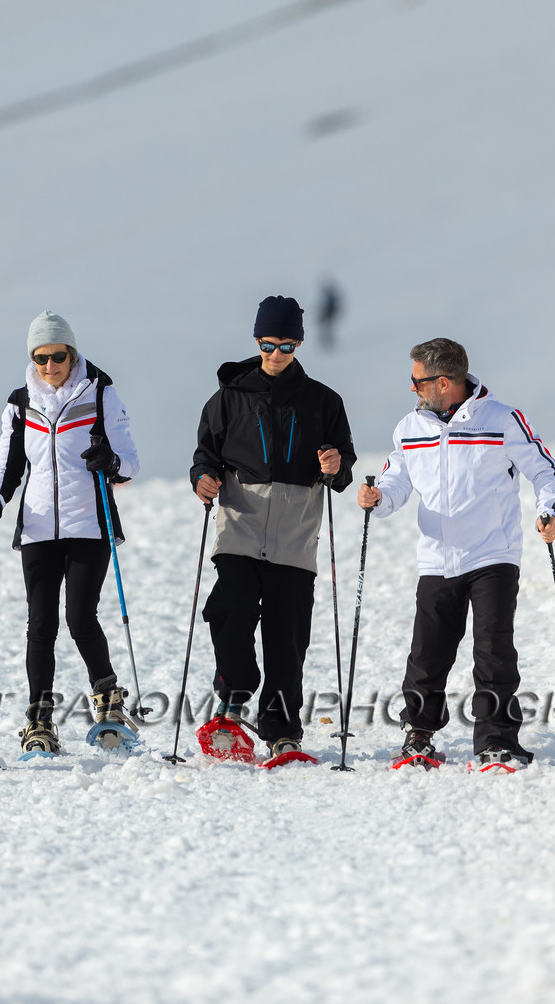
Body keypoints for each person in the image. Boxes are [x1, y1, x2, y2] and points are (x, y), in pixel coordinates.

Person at [358, 338, 555, 768]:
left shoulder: (501, 419)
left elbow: (544, 469)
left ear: (444, 382)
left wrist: (549, 510)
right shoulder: (409, 428)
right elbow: (397, 482)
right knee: (427, 654)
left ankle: (497, 741)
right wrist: (378, 498)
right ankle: (419, 735)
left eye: (417, 381)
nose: (412, 389)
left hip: (493, 553)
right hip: (438, 558)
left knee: (493, 651)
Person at [190, 296, 356, 761]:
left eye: (285, 345)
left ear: (298, 344)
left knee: (287, 638)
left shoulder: (324, 401)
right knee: (229, 611)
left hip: (295, 535)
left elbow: (343, 466)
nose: (276, 354)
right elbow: (205, 455)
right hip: (239, 528)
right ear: (256, 341)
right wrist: (203, 477)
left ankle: (282, 730)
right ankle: (232, 696)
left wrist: (335, 465)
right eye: (267, 345)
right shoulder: (228, 398)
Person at [0, 311, 140, 757]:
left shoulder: (100, 391)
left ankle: (109, 703)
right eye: (40, 357)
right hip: (39, 527)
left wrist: (111, 462)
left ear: (72, 352)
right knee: (40, 624)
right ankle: (39, 720)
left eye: (58, 356)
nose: (50, 366)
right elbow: (7, 468)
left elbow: (129, 460)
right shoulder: (19, 402)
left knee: (81, 618)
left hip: (89, 525)